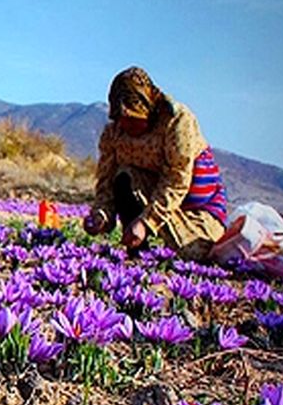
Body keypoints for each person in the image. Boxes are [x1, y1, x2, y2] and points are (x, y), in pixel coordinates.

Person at [83, 67, 228, 260]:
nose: (125, 125)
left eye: (132, 118)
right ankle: (138, 251)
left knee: (199, 253)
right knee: (124, 174)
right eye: (120, 118)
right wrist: (101, 215)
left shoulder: (176, 121)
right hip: (150, 198)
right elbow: (106, 180)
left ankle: (146, 243)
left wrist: (146, 223)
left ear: (147, 108)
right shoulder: (114, 133)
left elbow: (177, 180)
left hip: (194, 211)